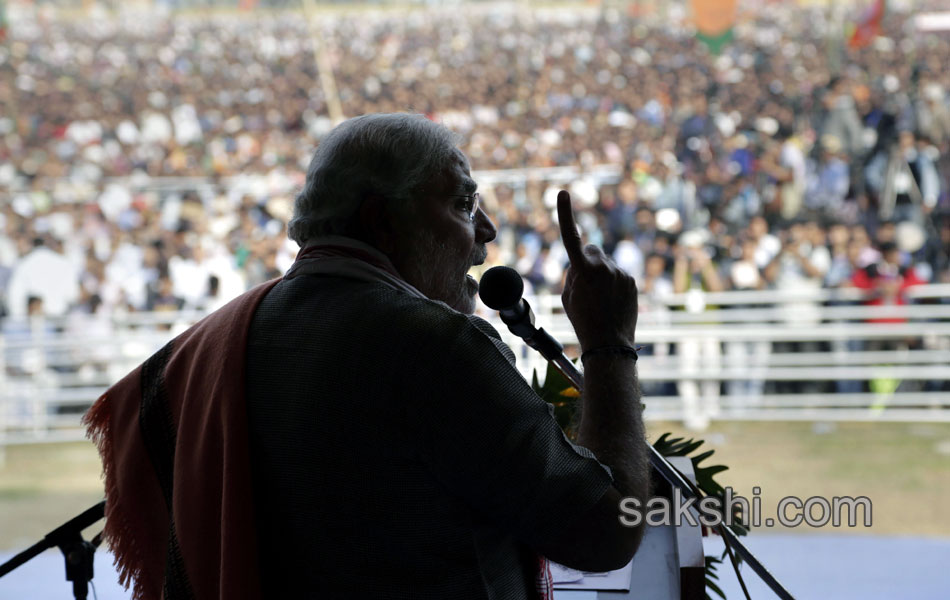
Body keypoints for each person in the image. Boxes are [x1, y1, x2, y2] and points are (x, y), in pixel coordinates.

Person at [83, 113, 649, 599]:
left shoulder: (208, 345)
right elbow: (607, 531)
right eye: (461, 203)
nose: (487, 231)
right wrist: (607, 344)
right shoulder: (434, 346)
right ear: (382, 218)